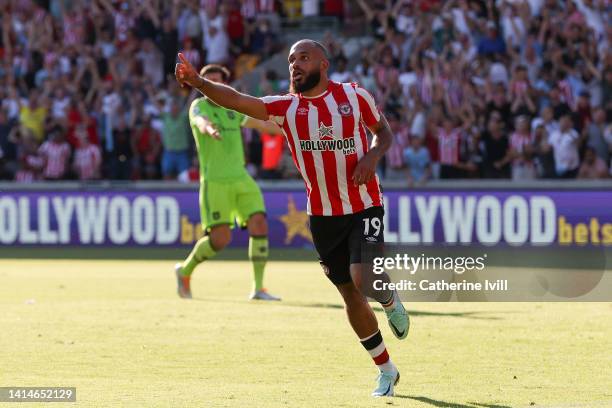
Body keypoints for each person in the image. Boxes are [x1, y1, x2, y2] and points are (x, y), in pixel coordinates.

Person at [175, 39, 410, 397]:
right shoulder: (286, 108)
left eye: (303, 58)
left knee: (364, 280)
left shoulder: (354, 96)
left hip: (364, 204)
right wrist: (200, 83)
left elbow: (385, 133)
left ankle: (389, 298)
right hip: (322, 215)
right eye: (290, 60)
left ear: (323, 63)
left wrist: (372, 157)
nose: (295, 65)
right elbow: (239, 100)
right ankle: (386, 370)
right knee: (349, 294)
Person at [175, 64, 282, 302]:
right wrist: (209, 128)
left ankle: (258, 288)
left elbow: (264, 124)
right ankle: (184, 271)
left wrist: (293, 130)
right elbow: (200, 121)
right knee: (220, 240)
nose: (213, 85)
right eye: (208, 81)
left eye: (217, 80)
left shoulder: (234, 109)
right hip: (215, 182)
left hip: (241, 178)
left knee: (259, 223)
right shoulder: (198, 106)